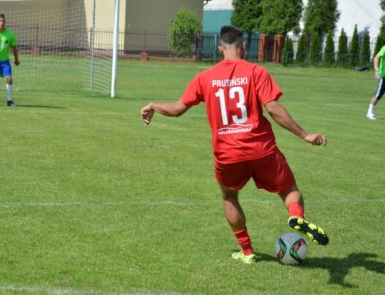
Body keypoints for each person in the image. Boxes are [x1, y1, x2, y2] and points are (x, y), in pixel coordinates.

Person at [140, 26, 329, 264]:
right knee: (289, 191)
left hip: (227, 154)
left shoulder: (204, 77)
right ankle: (295, 216)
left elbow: (178, 109)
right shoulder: (256, 72)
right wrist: (305, 135)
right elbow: (273, 108)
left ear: (220, 48)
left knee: (230, 197)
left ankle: (247, 252)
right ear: (243, 46)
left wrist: (153, 105)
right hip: (262, 149)